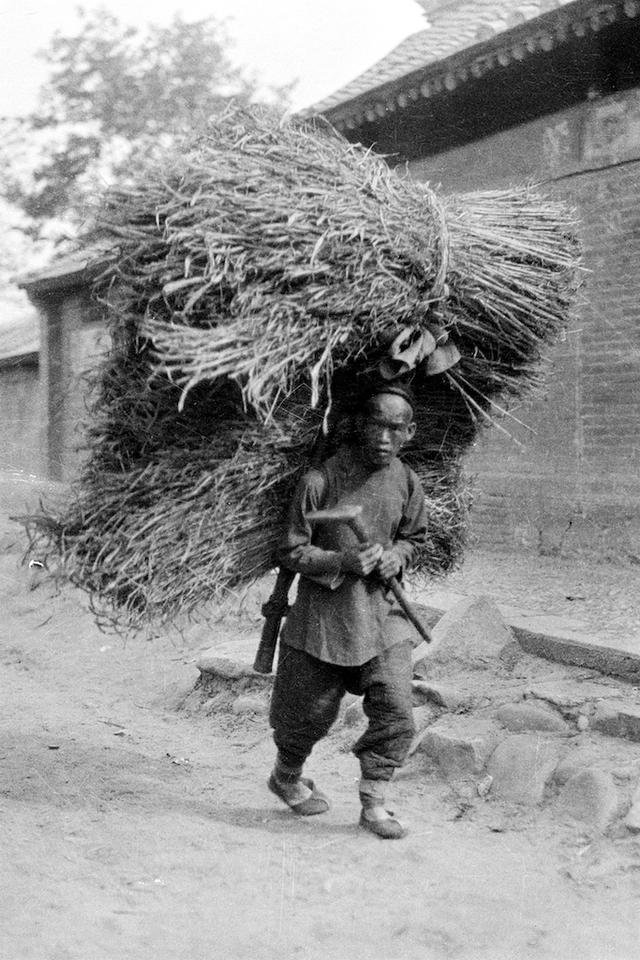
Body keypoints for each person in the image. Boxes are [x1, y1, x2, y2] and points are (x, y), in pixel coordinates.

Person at [267, 382, 427, 839]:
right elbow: (291, 550)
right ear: (358, 424)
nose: (383, 436)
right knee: (306, 717)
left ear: (409, 432)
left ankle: (374, 802)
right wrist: (341, 561)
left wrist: (397, 556)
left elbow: (413, 538)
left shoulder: (407, 481)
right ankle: (286, 776)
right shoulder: (319, 481)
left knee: (397, 709)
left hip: (383, 617)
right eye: (375, 423)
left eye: (395, 428)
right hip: (324, 620)